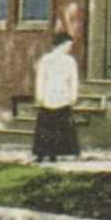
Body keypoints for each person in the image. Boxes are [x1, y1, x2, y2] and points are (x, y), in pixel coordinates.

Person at [32, 32, 81, 163]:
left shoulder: (70, 61)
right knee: (46, 127)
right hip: (49, 94)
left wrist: (73, 95)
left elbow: (73, 79)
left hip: (63, 95)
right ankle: (41, 153)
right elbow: (41, 78)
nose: (69, 48)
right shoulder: (47, 60)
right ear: (60, 45)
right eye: (68, 45)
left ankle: (55, 153)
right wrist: (40, 94)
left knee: (60, 127)